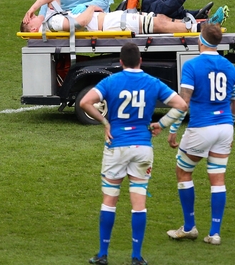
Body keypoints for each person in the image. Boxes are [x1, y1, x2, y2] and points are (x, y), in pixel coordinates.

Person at [79, 43, 188, 265]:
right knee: (138, 202)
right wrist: (161, 124)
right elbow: (181, 105)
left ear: (120, 62)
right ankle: (136, 256)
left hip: (116, 146)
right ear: (140, 61)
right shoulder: (152, 82)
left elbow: (85, 102)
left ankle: (102, 254)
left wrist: (104, 121)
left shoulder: (111, 81)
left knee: (110, 200)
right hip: (142, 148)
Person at [151, 23, 235, 246]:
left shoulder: (192, 66)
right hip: (224, 128)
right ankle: (215, 233)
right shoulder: (230, 67)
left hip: (201, 128)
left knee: (183, 172)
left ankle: (190, 227)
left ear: (200, 41)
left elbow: (184, 103)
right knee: (217, 179)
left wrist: (172, 131)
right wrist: (229, 125)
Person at [21, 0, 213, 35]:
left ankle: (196, 24)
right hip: (112, 24)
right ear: (32, 29)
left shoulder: (50, 16)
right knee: (159, 24)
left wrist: (32, 9)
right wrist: (90, 8)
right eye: (30, 20)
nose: (32, 18)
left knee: (160, 18)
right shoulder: (52, 24)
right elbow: (77, 24)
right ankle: (199, 27)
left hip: (113, 20)